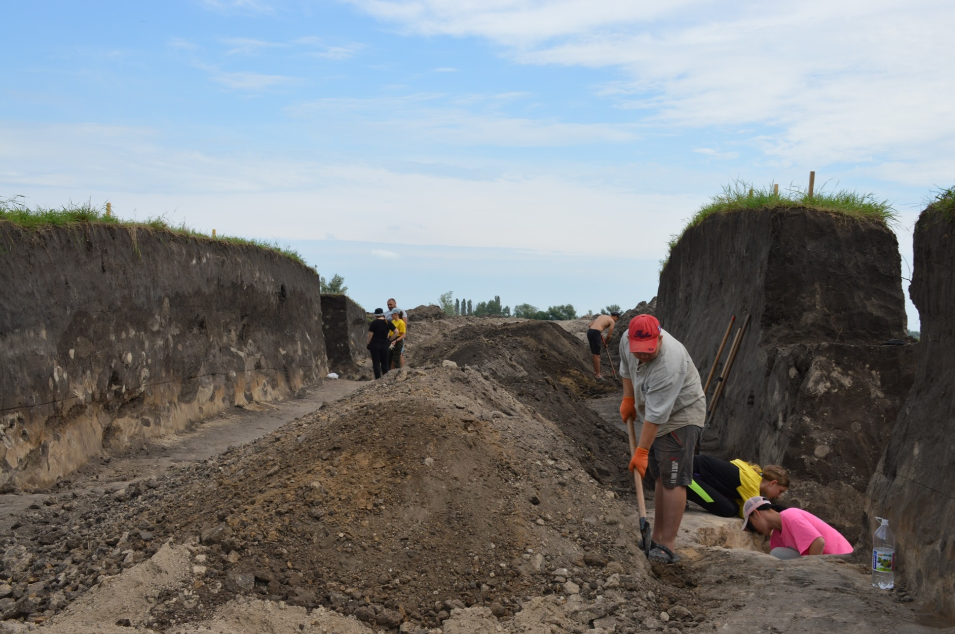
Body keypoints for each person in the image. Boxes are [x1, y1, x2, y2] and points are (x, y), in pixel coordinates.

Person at [619, 314, 705, 564]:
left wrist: (642, 451)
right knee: (660, 476)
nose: (643, 355)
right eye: (639, 351)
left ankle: (667, 545)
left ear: (660, 337)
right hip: (656, 412)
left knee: (674, 479)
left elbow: (657, 417)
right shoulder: (626, 340)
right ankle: (655, 539)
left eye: (649, 350)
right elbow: (626, 368)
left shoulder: (670, 362)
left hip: (680, 415)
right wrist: (628, 398)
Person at [741, 496, 853, 559]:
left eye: (751, 526)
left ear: (756, 513)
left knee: (777, 554)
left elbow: (818, 542)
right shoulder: (776, 537)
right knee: (776, 553)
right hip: (828, 561)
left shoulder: (790, 516)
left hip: (842, 559)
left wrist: (813, 572)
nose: (754, 531)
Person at [687, 456, 789, 518]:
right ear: (773, 483)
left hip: (696, 471)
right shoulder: (752, 483)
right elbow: (759, 513)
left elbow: (744, 510)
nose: (779, 496)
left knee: (732, 508)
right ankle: (685, 485)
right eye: (780, 491)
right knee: (726, 509)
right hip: (689, 471)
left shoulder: (754, 480)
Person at [587, 312, 620, 380]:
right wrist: (606, 343)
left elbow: (590, 325)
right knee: (597, 354)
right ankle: (598, 375)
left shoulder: (602, 316)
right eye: (617, 319)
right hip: (596, 333)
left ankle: (595, 372)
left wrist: (598, 331)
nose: (616, 320)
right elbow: (609, 336)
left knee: (594, 353)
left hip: (589, 332)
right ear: (615, 317)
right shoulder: (612, 321)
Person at [367, 308, 396, 379]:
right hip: (385, 345)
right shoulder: (388, 322)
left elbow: (370, 335)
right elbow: (396, 332)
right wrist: (390, 339)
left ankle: (377, 379)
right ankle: (385, 379)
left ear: (376, 315)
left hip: (375, 344)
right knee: (385, 363)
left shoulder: (374, 323)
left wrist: (368, 343)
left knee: (376, 363)